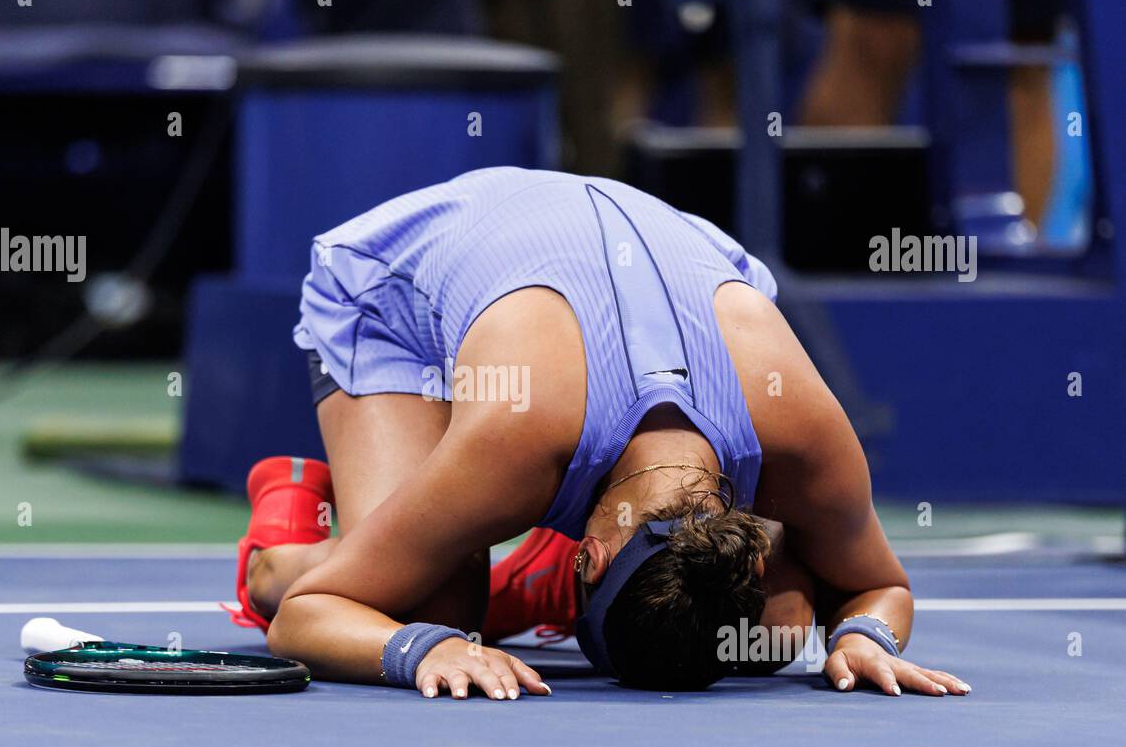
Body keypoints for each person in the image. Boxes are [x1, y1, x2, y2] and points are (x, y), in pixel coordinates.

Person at [227, 166, 970, 701]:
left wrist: (863, 638)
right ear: (590, 557)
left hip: (643, 247)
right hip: (395, 291)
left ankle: (493, 565)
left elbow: (878, 584)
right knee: (427, 608)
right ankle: (293, 523)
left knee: (776, 629)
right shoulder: (519, 443)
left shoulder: (799, 433)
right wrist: (422, 648)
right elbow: (305, 619)